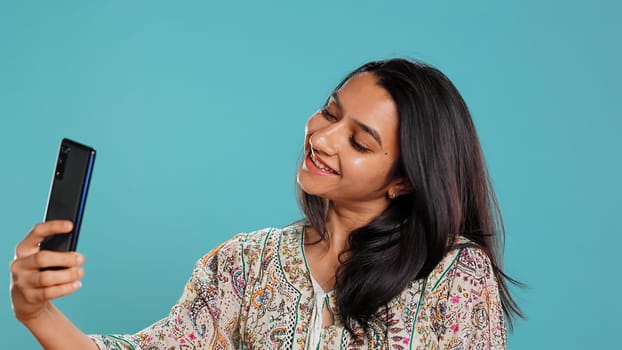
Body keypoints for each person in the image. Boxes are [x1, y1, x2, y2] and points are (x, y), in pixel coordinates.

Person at [10, 58, 522, 349]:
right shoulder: (242, 265)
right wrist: (37, 313)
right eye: (329, 112)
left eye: (360, 142)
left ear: (404, 182)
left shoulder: (453, 274)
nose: (323, 138)